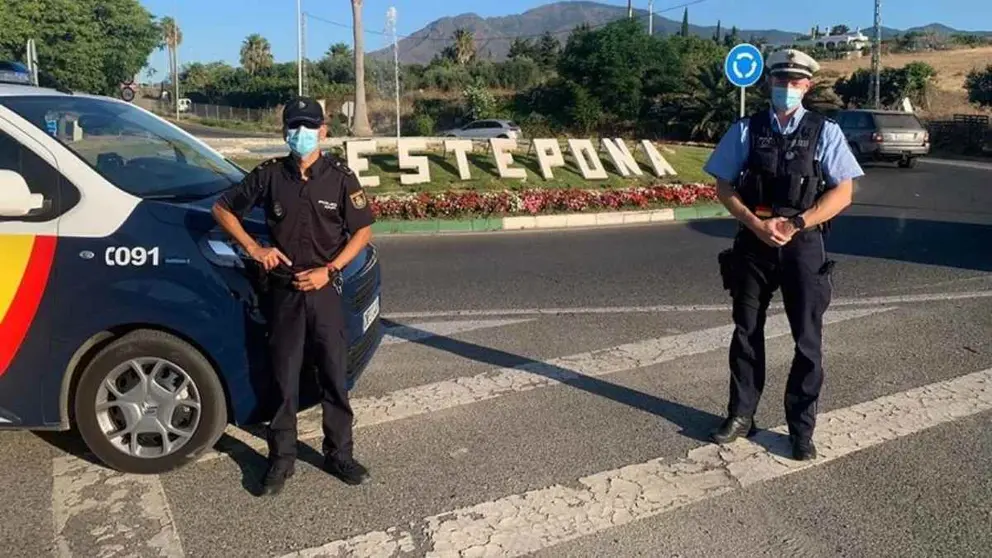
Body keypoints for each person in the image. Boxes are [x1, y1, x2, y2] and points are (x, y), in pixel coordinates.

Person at [703, 49, 863, 460]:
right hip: (754, 242)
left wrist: (795, 224)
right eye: (780, 81)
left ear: (807, 86)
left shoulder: (824, 131)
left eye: (795, 82)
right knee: (745, 333)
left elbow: (843, 192)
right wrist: (757, 225)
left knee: (807, 341)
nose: (786, 88)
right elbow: (724, 186)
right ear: (769, 84)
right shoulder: (746, 129)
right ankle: (741, 414)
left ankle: (800, 429)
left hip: (802, 243)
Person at [212, 97, 375, 494]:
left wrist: (330, 270)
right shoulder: (269, 175)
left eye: (309, 127)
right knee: (283, 379)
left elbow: (362, 231)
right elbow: (223, 208)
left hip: (324, 292)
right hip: (284, 293)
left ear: (324, 131)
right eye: (294, 126)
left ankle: (340, 453)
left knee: (334, 377)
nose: (301, 134)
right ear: (285, 131)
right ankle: (281, 458)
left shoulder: (339, 177)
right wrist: (255, 248)